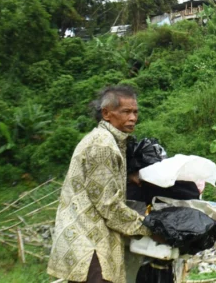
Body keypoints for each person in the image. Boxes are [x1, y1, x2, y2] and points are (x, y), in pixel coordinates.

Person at [48, 85, 152, 283]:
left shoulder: (109, 141)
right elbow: (108, 205)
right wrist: (147, 227)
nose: (133, 118)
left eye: (135, 112)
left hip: (88, 236)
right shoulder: (102, 146)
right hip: (88, 239)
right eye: (126, 112)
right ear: (106, 113)